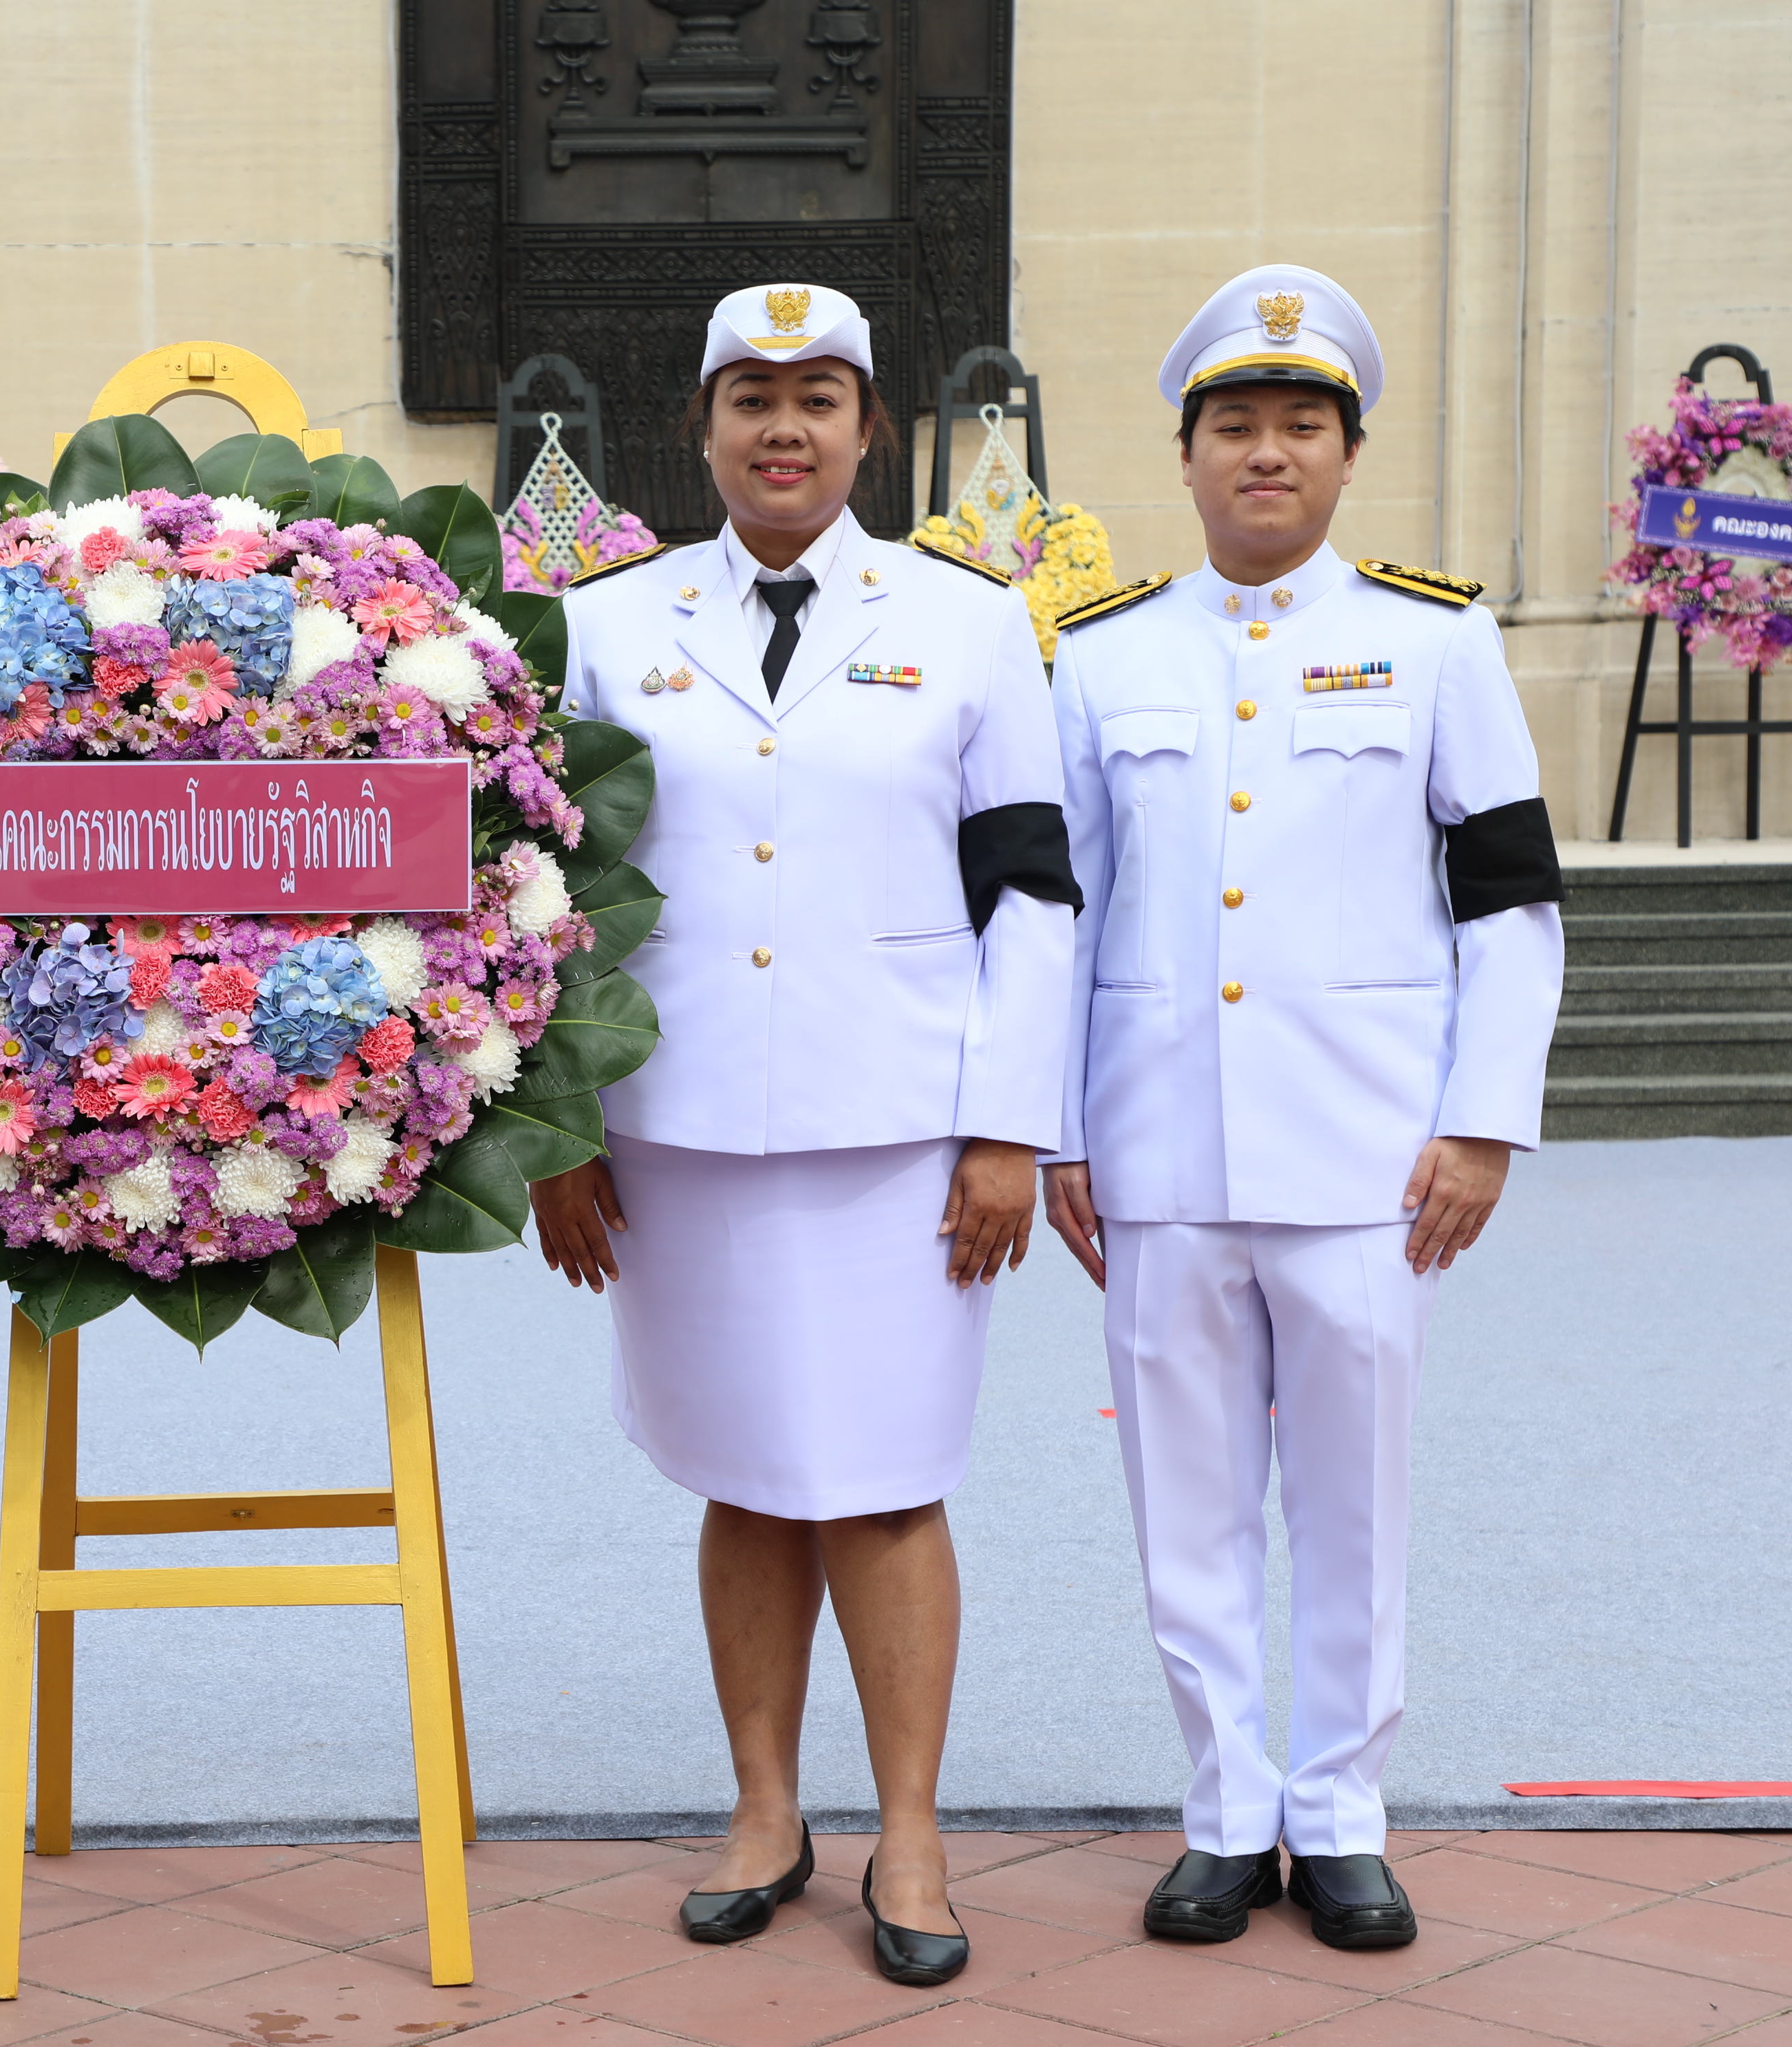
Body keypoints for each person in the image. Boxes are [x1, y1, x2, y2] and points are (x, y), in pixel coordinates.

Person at [530, 284, 1079, 1987]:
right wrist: (556, 1126)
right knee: (746, 1481)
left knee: (889, 1485)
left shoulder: (971, 620)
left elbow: (1035, 895)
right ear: (700, 427)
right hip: (677, 1130)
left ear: (871, 430)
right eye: (753, 395)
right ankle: (764, 1812)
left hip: (900, 1133)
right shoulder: (604, 624)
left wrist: (1010, 1126)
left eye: (820, 396)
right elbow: (537, 897)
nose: (786, 426)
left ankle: (909, 1829)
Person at [1043, 264, 1564, 1951]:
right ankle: (1222, 1810)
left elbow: (1509, 902)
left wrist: (1482, 1120)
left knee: (1350, 1503)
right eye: (1233, 426)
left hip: (1368, 1160)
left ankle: (1339, 1814)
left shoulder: (1433, 640)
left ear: (1346, 455)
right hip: (1157, 1156)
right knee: (1182, 1504)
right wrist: (1054, 1130)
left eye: (1300, 426)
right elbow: (1060, 914)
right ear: (1186, 455)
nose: (1265, 453)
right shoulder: (1104, 655)